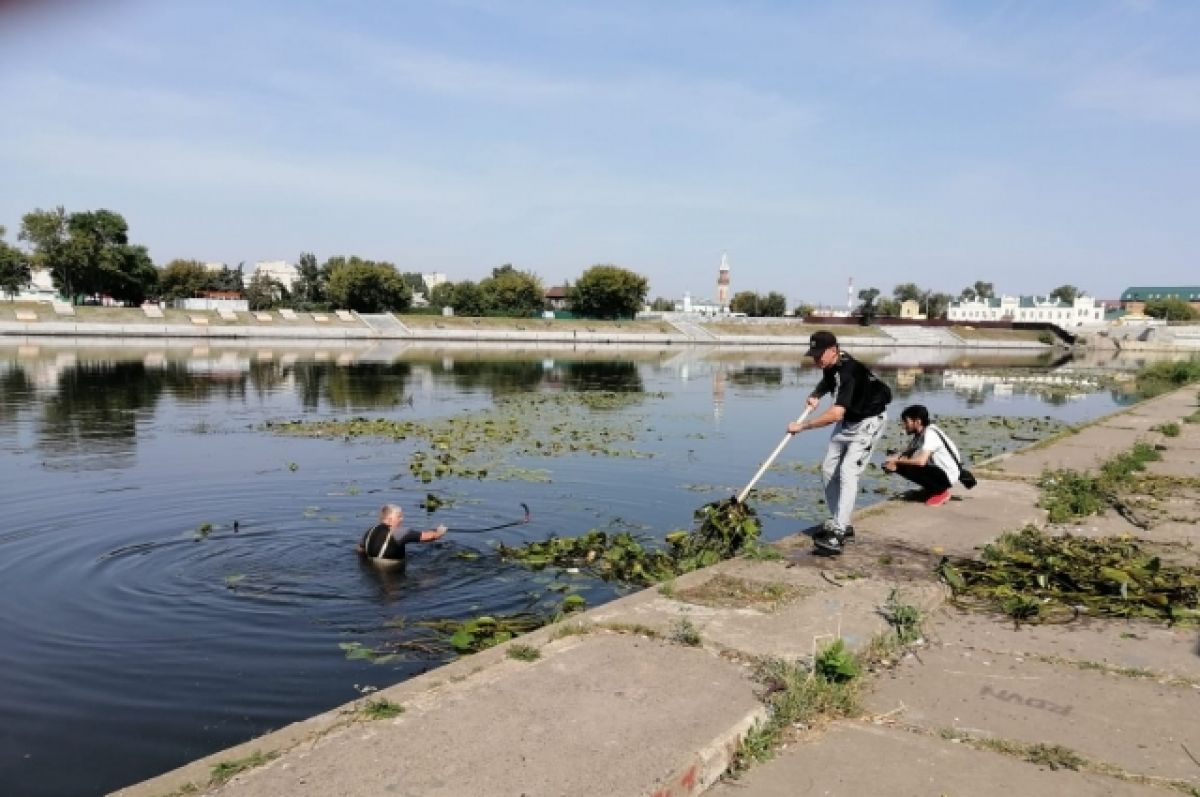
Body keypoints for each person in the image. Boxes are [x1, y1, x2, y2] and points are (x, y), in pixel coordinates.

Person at [788, 330, 892, 555]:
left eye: (819, 355)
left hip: (868, 422)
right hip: (849, 420)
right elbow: (829, 380)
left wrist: (803, 427)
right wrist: (817, 393)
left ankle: (839, 531)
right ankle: (840, 521)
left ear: (833, 350)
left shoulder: (848, 372)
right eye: (813, 355)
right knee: (828, 469)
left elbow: (835, 414)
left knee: (847, 472)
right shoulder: (832, 364)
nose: (816, 360)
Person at [882, 404, 961, 507]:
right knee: (900, 464)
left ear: (917, 422)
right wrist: (891, 462)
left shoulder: (930, 434)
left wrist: (896, 462)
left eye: (906, 422)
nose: (904, 425)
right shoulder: (920, 434)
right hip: (941, 472)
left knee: (905, 464)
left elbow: (921, 461)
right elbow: (906, 455)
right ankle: (931, 489)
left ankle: (941, 492)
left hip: (947, 475)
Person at [356, 504, 446, 570]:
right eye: (399, 517)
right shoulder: (400, 532)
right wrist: (440, 531)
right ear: (390, 519)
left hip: (371, 570)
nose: (402, 519)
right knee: (432, 580)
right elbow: (430, 537)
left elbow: (360, 549)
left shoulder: (370, 530)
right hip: (393, 570)